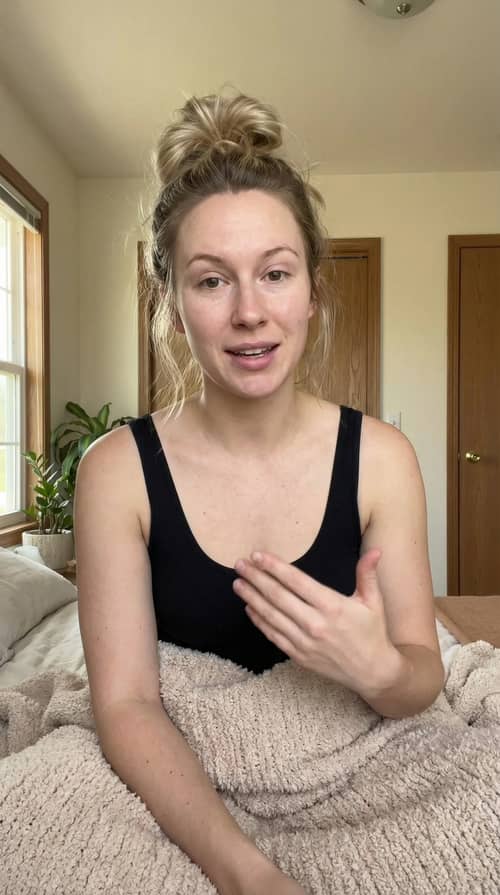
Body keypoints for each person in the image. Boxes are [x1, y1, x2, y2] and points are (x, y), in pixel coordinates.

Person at [74, 92, 445, 895]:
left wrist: (377, 667)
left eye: (275, 274)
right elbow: (129, 702)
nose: (250, 313)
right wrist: (246, 872)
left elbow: (424, 676)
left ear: (312, 288)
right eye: (212, 281)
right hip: (182, 780)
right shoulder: (116, 471)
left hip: (353, 760)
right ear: (172, 304)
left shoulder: (382, 459)